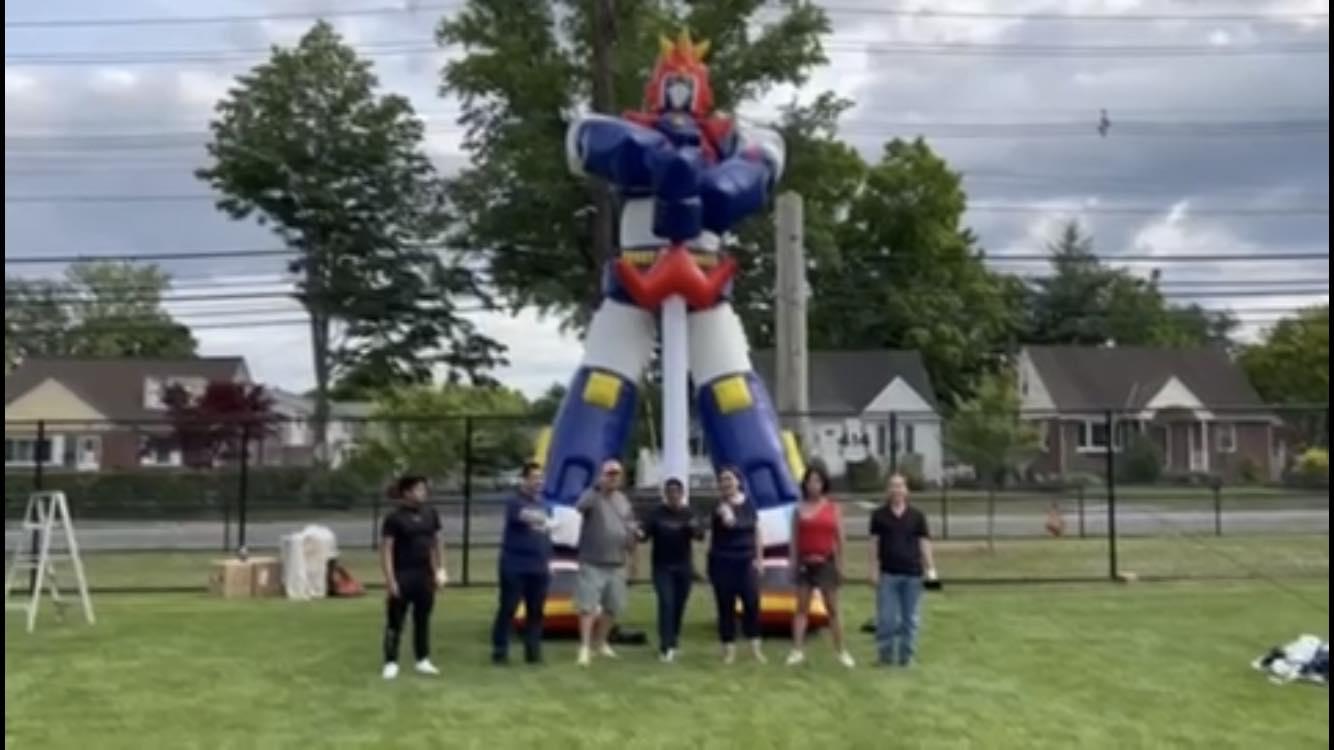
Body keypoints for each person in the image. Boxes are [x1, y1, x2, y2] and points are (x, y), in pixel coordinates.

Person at [786, 465, 855, 668]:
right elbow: (794, 539)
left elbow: (840, 539)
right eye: (810, 481)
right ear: (805, 484)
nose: (813, 485)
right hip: (805, 564)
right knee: (801, 608)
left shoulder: (833, 508)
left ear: (823, 484)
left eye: (817, 481)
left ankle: (841, 651)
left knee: (832, 609)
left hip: (826, 563)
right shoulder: (798, 509)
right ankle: (797, 651)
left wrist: (841, 565)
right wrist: (792, 562)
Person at [379, 475, 446, 680]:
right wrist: (391, 580)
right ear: (407, 493)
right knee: (395, 621)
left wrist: (440, 569)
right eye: (418, 489)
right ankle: (391, 662)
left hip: (424, 574)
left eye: (424, 489)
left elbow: (437, 542)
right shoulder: (394, 518)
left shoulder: (431, 513)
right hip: (403, 574)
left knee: (422, 618)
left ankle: (422, 659)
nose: (423, 493)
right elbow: (387, 549)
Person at [868, 473, 938, 667]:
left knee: (911, 619)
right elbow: (874, 543)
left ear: (906, 490)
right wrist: (873, 569)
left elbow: (924, 543)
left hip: (913, 574)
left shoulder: (917, 516)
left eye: (900, 486)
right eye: (893, 486)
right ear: (887, 490)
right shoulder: (878, 516)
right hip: (888, 574)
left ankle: (907, 657)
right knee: (887, 619)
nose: (896, 490)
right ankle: (885, 657)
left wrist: (931, 569)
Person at [574, 458, 636, 667]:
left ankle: (600, 642)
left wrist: (632, 548)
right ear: (602, 476)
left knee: (613, 606)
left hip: (617, 561)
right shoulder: (592, 495)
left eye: (616, 475)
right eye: (609, 474)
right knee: (588, 606)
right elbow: (580, 507)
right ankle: (584, 647)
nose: (613, 478)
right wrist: (596, 489)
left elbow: (629, 525)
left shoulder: (623, 500)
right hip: (593, 560)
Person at [491, 461, 553, 665]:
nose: (539, 482)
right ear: (524, 480)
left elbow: (547, 534)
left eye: (541, 478)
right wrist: (547, 520)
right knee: (508, 607)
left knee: (536, 610)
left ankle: (533, 652)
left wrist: (549, 560)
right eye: (534, 478)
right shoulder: (514, 501)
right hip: (515, 565)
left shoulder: (544, 504)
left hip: (539, 566)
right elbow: (526, 517)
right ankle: (500, 650)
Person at [638, 477, 704, 663]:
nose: (673, 496)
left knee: (678, 605)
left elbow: (700, 536)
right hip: (662, 567)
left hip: (683, 567)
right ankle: (665, 647)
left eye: (677, 492)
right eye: (670, 492)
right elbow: (644, 534)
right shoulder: (656, 514)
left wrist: (695, 528)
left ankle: (673, 641)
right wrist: (638, 533)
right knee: (666, 603)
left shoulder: (689, 513)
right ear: (665, 495)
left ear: (682, 494)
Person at [707, 466, 766, 664]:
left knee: (752, 604)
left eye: (729, 479)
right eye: (722, 480)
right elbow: (729, 523)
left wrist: (759, 559)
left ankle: (755, 649)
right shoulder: (719, 506)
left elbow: (756, 531)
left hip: (746, 561)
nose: (726, 483)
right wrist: (727, 512)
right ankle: (729, 650)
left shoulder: (749, 503)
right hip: (723, 562)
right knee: (725, 606)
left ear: (738, 481)